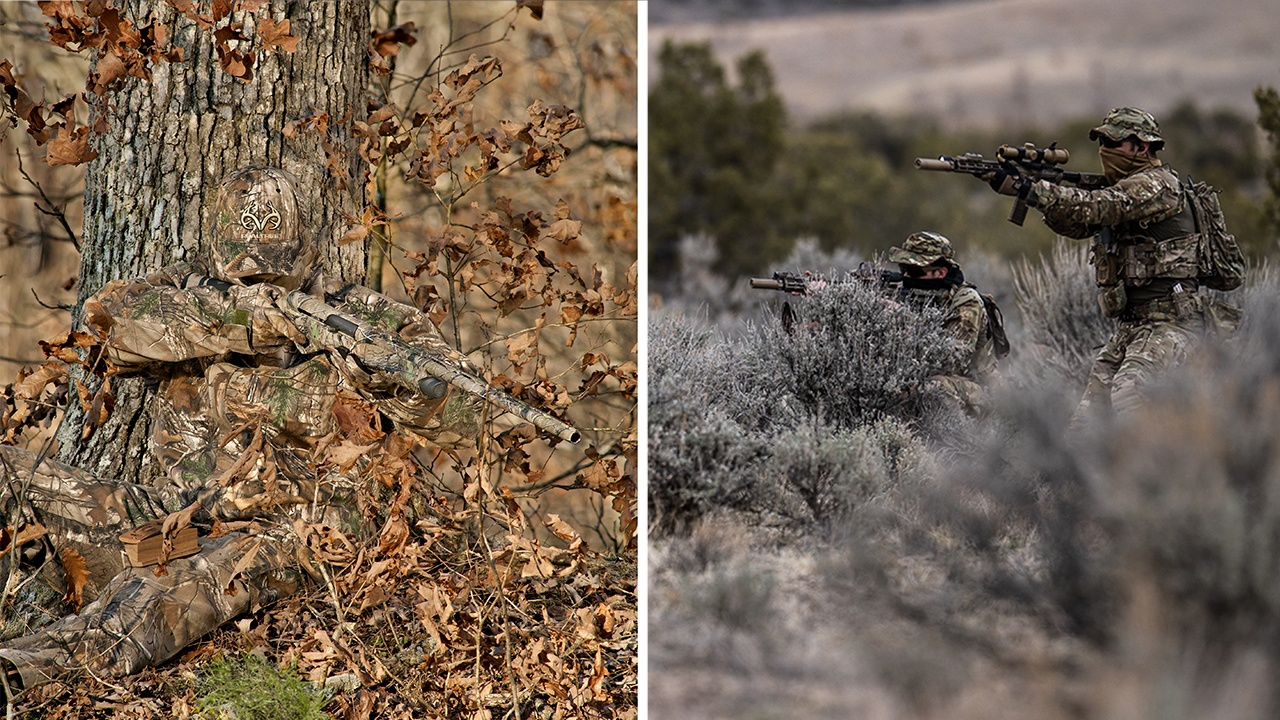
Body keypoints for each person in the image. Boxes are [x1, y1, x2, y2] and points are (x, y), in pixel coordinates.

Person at [0, 166, 479, 695]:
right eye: (245, 274)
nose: (260, 285)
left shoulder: (365, 317)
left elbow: (461, 415)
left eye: (275, 275)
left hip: (283, 538)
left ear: (306, 253)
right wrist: (239, 320)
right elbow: (101, 330)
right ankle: (24, 619)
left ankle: (21, 673)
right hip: (171, 514)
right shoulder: (186, 290)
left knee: (146, 602)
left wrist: (388, 381)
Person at [986, 106, 1229, 424]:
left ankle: (1163, 471)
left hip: (1173, 323)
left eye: (1114, 144)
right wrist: (1032, 194)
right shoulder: (1121, 191)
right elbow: (1078, 224)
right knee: (1086, 426)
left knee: (1131, 400)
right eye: (1102, 144)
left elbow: (1098, 207)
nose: (1105, 151)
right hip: (1132, 326)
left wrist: (1030, 189)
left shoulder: (1158, 185)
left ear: (1142, 147)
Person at [887, 231, 1004, 414]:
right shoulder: (910, 293)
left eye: (916, 271)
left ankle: (953, 440)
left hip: (979, 390)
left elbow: (951, 360)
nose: (907, 276)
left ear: (941, 272)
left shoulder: (966, 302)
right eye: (904, 268)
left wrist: (903, 318)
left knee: (935, 386)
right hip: (943, 380)